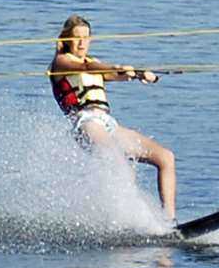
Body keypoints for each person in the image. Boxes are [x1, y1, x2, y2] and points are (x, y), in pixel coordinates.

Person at [50, 14, 175, 219]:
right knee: (121, 165)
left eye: (86, 37)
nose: (82, 43)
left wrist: (140, 74)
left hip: (108, 124)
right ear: (66, 40)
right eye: (77, 38)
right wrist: (116, 67)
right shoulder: (61, 62)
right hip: (85, 123)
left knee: (165, 157)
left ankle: (170, 222)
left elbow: (117, 74)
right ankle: (133, 222)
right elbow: (86, 68)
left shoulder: (94, 62)